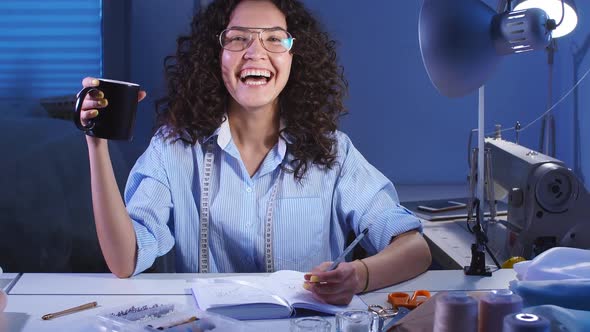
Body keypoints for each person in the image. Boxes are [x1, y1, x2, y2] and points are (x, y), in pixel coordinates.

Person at [78, 0, 431, 305]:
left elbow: (415, 248)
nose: (255, 52)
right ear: (214, 55)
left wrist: (359, 275)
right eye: (238, 38)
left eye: (274, 38)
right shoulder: (173, 149)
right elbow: (124, 260)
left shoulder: (333, 152)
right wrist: (97, 144)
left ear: (295, 57)